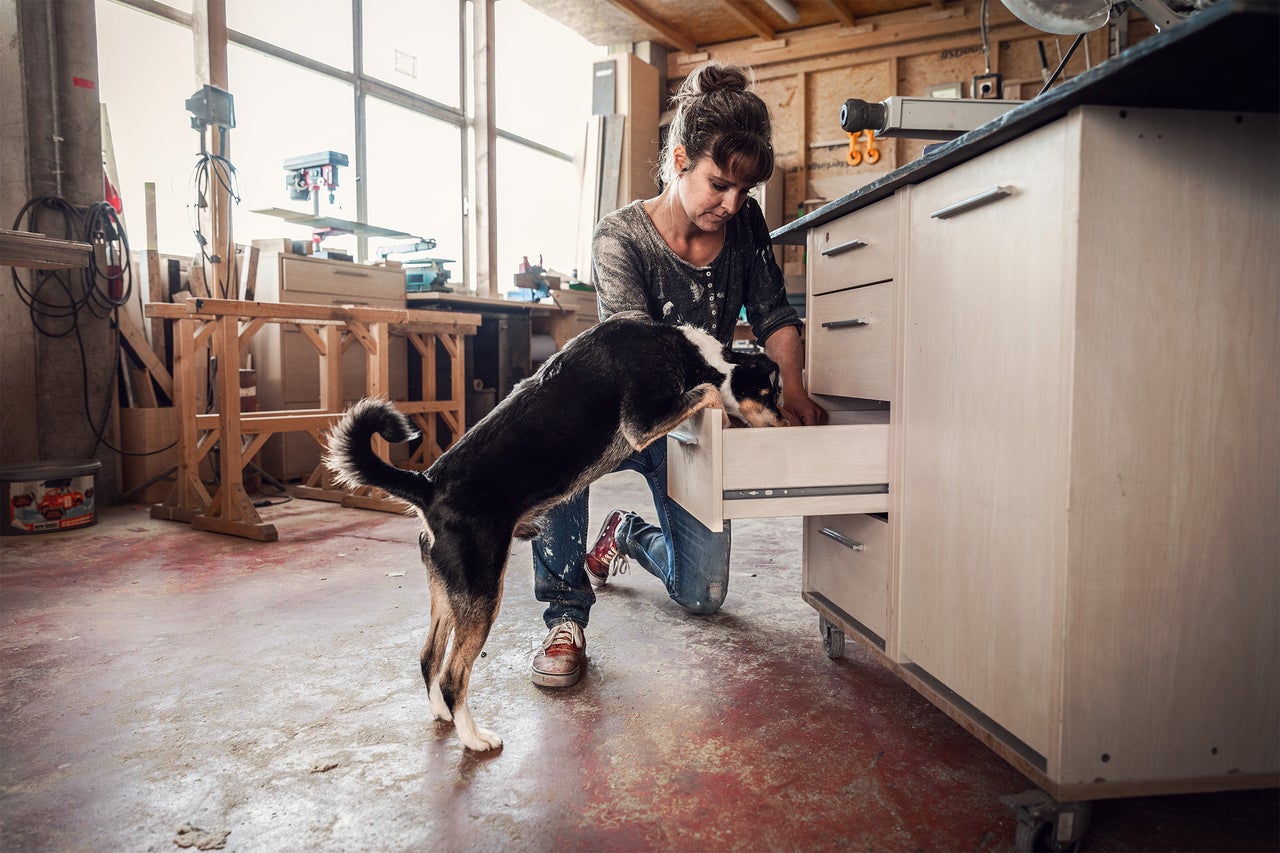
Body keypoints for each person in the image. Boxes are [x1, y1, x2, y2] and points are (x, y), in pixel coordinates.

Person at [530, 61, 826, 687]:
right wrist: (723, 399)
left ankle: (626, 535)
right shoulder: (621, 237)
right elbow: (641, 356)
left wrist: (794, 387)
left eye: (746, 192)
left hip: (690, 422)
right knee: (554, 443)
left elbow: (773, 313)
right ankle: (564, 614)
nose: (733, 204)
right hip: (613, 413)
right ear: (678, 158)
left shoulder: (744, 224)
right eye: (720, 184)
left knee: (703, 594)